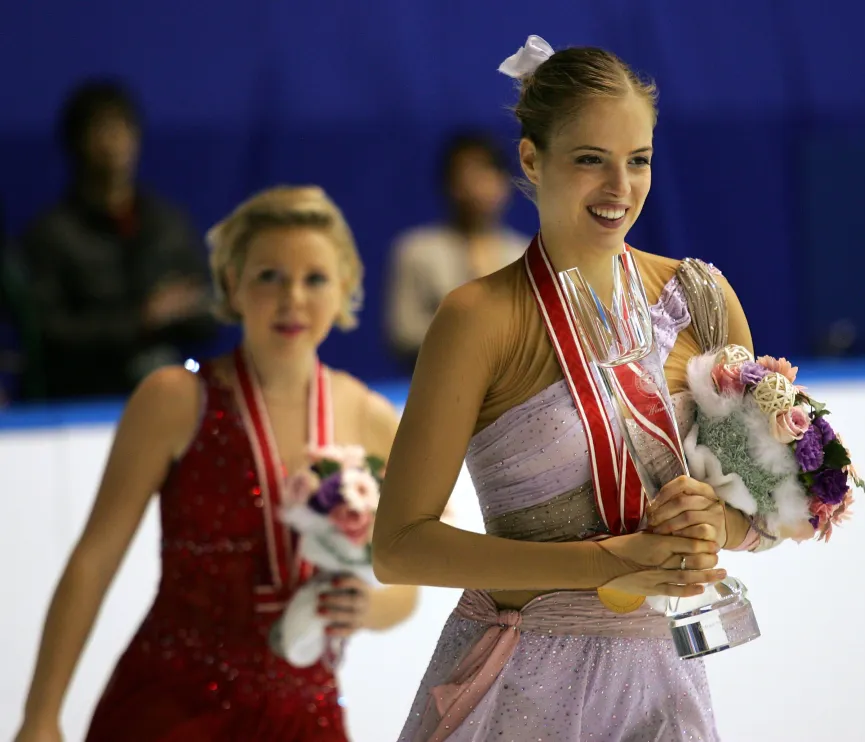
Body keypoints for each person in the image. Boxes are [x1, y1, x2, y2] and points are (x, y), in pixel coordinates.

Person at [373, 36, 782, 741]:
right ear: (530, 160)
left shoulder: (700, 298)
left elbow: (768, 508)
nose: (619, 189)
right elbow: (399, 548)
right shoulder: (478, 319)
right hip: (519, 680)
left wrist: (715, 525)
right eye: (589, 160)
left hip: (662, 678)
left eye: (638, 160)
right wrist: (603, 563)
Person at [15, 186, 418, 742]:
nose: (291, 298)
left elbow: (406, 582)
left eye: (315, 278)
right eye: (269, 276)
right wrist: (40, 717)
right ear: (232, 283)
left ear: (346, 285)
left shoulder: (370, 416)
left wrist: (366, 608)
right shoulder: (175, 399)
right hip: (170, 707)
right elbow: (95, 557)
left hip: (304, 715)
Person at [19, 78, 216, 400]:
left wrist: (183, 310)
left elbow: (208, 312)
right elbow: (47, 332)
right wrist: (142, 319)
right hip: (81, 397)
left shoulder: (166, 224)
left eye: (122, 128)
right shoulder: (51, 235)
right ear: (77, 142)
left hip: (162, 388)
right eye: (101, 130)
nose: (114, 143)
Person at [384, 131, 528, 367]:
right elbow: (403, 333)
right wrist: (475, 334)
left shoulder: (525, 253)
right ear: (448, 183)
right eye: (466, 173)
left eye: (487, 173)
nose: (476, 185)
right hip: (435, 385)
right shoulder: (416, 250)